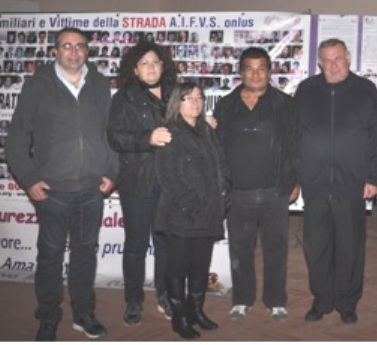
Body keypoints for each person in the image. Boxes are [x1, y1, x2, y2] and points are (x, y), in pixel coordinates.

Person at [5, 27, 118, 341]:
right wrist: (28, 179)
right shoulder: (37, 85)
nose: (73, 51)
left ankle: (83, 314)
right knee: (50, 257)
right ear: (55, 50)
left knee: (85, 254)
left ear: (87, 51)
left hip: (92, 189)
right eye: (66, 45)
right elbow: (16, 141)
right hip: (52, 192)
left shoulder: (98, 84)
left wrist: (112, 171)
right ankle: (49, 316)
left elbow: (111, 134)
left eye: (80, 46)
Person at [294, 38, 377, 324]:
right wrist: (296, 177)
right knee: (317, 247)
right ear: (319, 63)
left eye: (338, 59)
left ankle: (346, 301)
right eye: (327, 60)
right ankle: (322, 299)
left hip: (352, 184)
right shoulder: (306, 90)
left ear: (348, 58)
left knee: (350, 247)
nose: (333, 65)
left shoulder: (366, 90)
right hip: (315, 184)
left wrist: (373, 176)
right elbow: (295, 137)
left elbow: (375, 138)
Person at [213, 47, 299, 321]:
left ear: (270, 71)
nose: (256, 73)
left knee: (276, 249)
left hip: (274, 191)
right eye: (249, 68)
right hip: (238, 192)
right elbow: (217, 147)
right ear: (241, 72)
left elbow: (295, 145)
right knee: (240, 249)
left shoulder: (285, 104)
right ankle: (242, 299)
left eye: (261, 67)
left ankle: (276, 300)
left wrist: (294, 180)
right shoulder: (226, 105)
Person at [107, 41, 177, 327]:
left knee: (166, 244)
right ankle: (133, 300)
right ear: (134, 69)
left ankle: (165, 295)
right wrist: (147, 138)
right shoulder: (123, 98)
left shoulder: (176, 94)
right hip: (138, 182)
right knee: (136, 245)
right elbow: (115, 137)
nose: (151, 67)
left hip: (172, 182)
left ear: (164, 65)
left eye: (156, 61)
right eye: (144, 62)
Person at [155, 82, 229, 339]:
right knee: (177, 269)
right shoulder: (170, 132)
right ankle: (179, 317)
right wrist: (194, 204)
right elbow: (168, 178)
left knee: (200, 267)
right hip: (181, 214)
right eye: (188, 98)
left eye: (199, 97)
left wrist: (223, 189)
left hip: (209, 212)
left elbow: (221, 163)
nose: (195, 102)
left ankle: (196, 310)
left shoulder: (207, 130)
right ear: (177, 102)